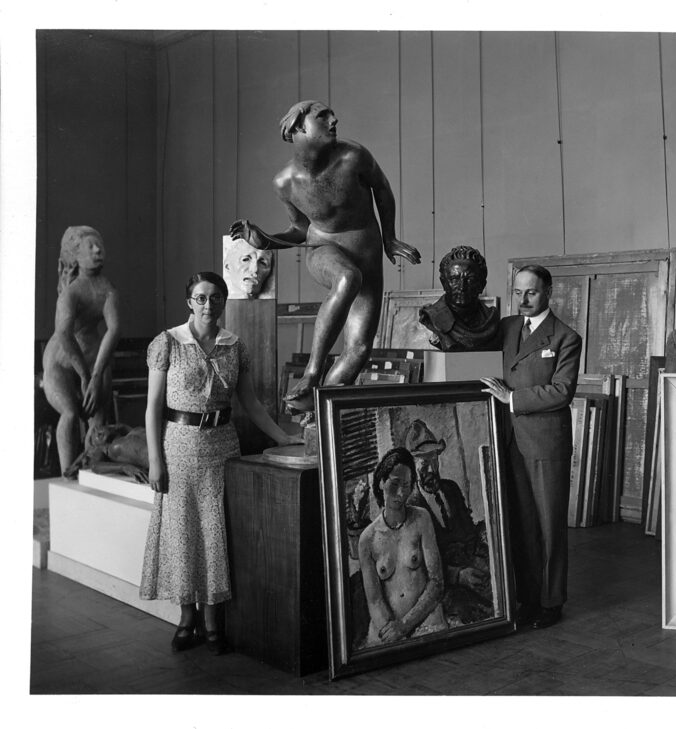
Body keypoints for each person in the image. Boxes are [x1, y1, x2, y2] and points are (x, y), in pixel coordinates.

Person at [140, 271, 300, 654]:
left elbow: (251, 403)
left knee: (214, 530)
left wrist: (283, 438)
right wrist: (155, 461)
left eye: (214, 298)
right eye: (200, 298)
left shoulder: (234, 346)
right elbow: (152, 408)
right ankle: (186, 617)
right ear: (189, 302)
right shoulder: (167, 343)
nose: (207, 305)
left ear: (224, 302)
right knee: (182, 531)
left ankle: (213, 620)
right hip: (177, 445)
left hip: (221, 445)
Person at [229, 100, 420, 412]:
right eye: (323, 116)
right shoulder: (285, 182)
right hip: (324, 252)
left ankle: (320, 411)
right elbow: (299, 230)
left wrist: (390, 238)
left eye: (331, 115)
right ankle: (312, 373)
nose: (334, 120)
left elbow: (383, 190)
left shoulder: (353, 156)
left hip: (367, 252)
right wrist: (266, 240)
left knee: (358, 349)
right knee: (347, 278)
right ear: (299, 127)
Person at [480, 264, 582, 629]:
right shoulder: (506, 327)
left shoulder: (565, 337)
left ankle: (552, 602)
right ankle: (526, 599)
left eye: (532, 293)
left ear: (549, 292)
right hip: (509, 439)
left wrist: (511, 398)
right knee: (521, 524)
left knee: (550, 525)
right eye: (518, 291)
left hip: (545, 443)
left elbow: (561, 391)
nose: (523, 300)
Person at [42, 226, 121, 476]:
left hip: (95, 359)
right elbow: (64, 334)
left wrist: (96, 376)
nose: (98, 250)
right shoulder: (71, 293)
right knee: (70, 411)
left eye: (100, 245)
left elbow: (114, 331)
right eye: (90, 246)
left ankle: (93, 473)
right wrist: (86, 375)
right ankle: (67, 474)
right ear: (76, 256)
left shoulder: (108, 291)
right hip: (61, 363)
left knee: (98, 418)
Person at [403, 420, 493, 624]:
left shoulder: (450, 489)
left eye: (434, 459)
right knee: (472, 612)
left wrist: (486, 533)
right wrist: (458, 575)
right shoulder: (410, 507)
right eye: (424, 463)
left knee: (501, 588)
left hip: (472, 563)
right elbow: (416, 565)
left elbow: (468, 531)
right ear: (411, 467)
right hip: (445, 582)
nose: (431, 469)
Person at [358, 447, 447, 646]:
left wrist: (405, 625)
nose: (401, 493)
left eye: (406, 485)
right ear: (381, 482)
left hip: (426, 620)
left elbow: (436, 582)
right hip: (386, 630)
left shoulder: (421, 519)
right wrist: (393, 631)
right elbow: (374, 601)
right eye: (395, 484)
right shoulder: (367, 539)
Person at [418, 245, 501, 352]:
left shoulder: (491, 319)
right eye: (454, 279)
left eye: (470, 279)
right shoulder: (433, 315)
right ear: (444, 283)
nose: (462, 287)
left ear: (481, 285)